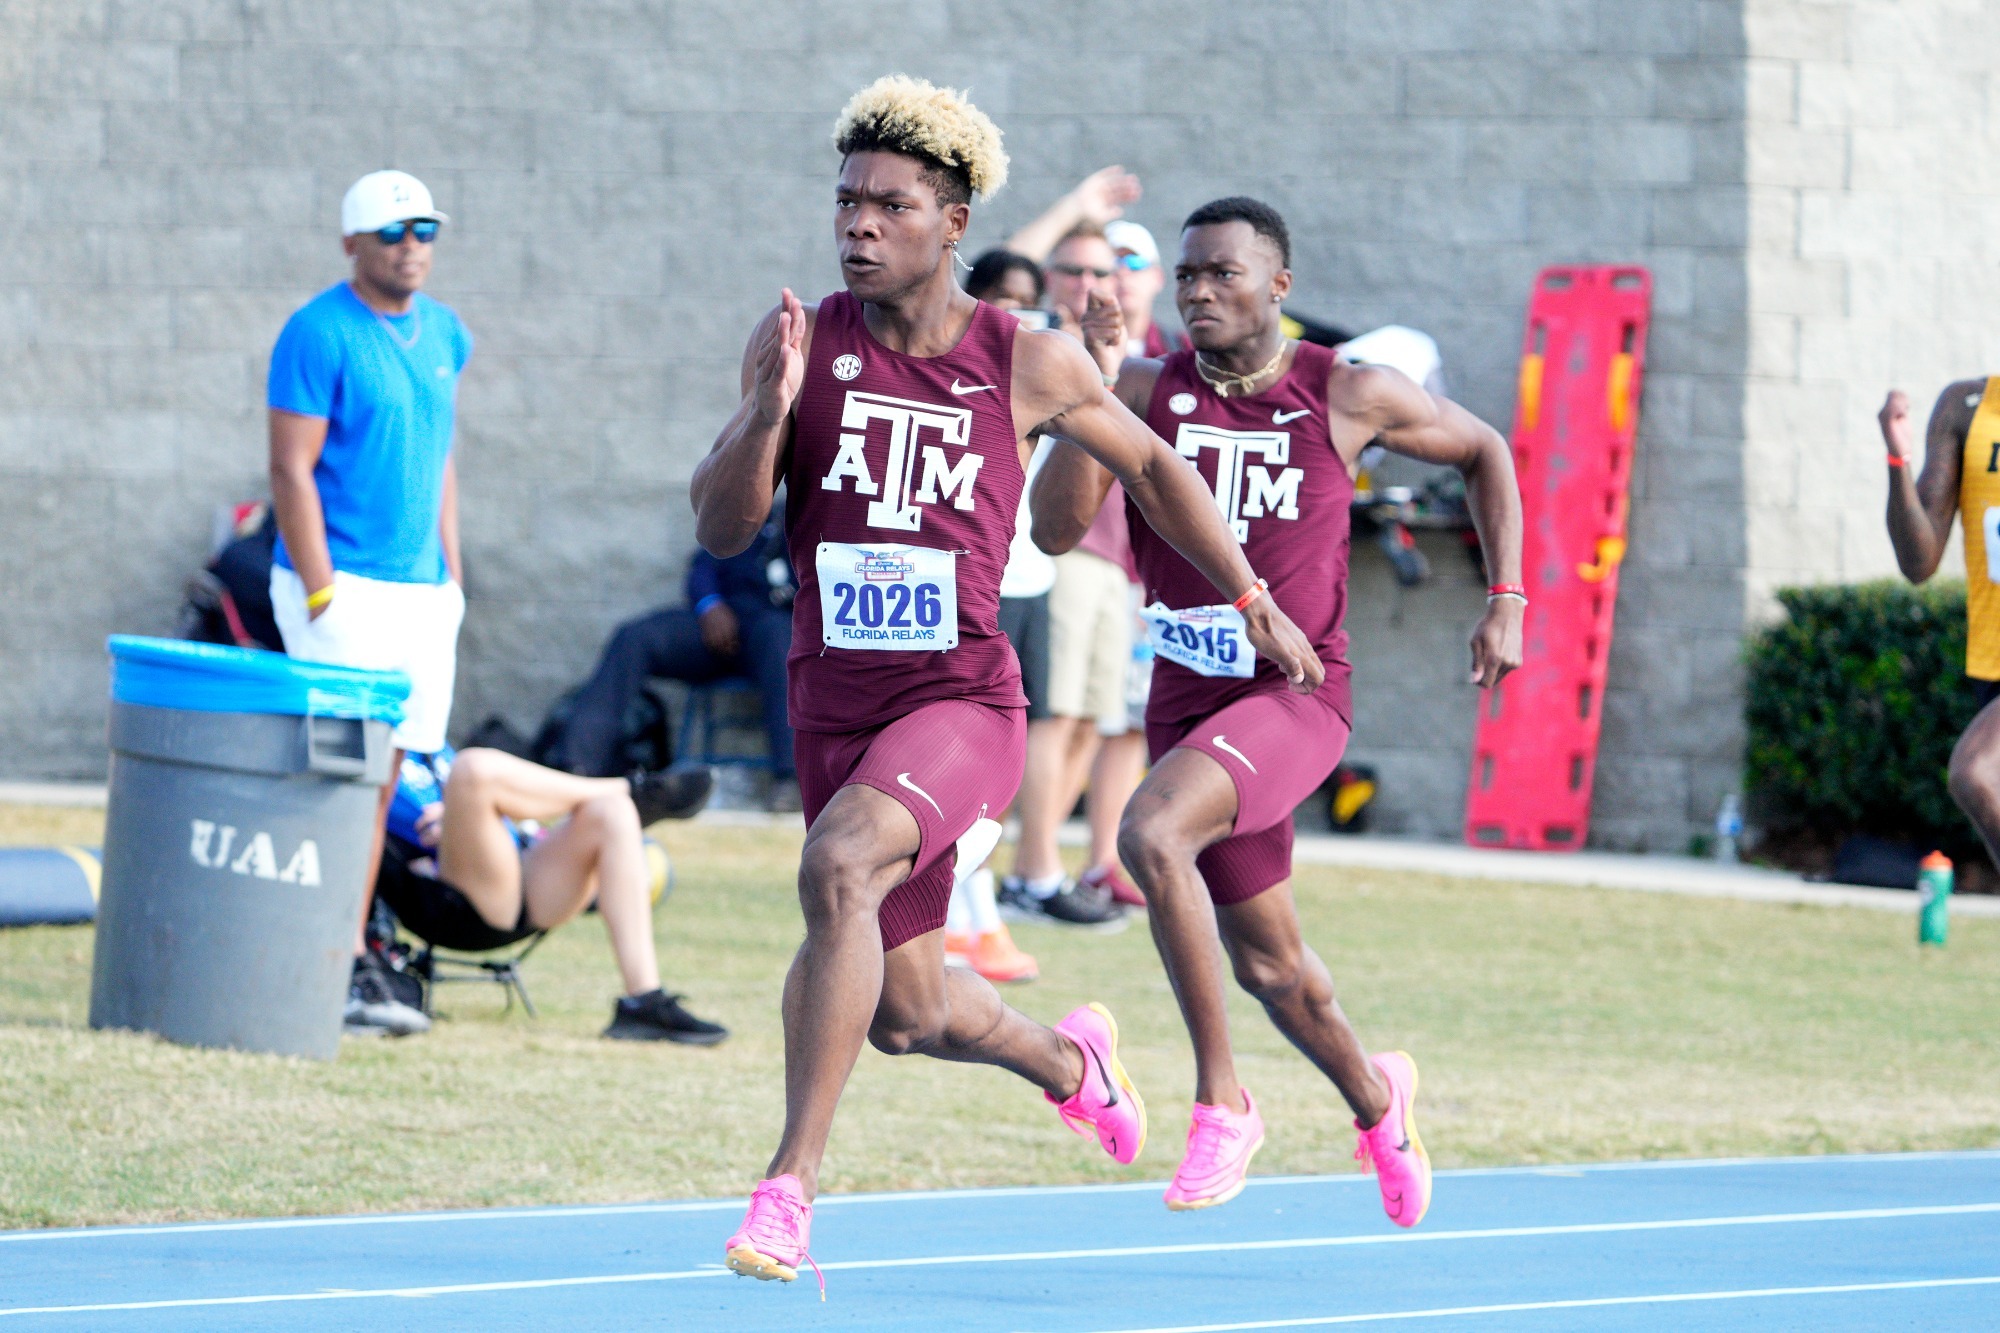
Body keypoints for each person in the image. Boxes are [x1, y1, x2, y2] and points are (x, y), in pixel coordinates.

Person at [687, 77, 1321, 1287]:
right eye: (845, 203)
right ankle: (1070, 1062)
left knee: (837, 865)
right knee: (908, 1013)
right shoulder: (803, 341)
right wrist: (764, 415)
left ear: (953, 219)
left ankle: (787, 1190)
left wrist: (1251, 597)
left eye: (889, 205)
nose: (857, 227)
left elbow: (1155, 470)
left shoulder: (1021, 360)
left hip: (961, 704)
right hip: (834, 703)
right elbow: (723, 529)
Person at [1034, 197, 1524, 1225]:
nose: (1201, 291)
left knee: (1149, 832)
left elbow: (1486, 453)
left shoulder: (1344, 394)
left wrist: (1505, 602)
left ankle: (1221, 1102)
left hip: (1292, 694)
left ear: (1278, 288)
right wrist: (1088, 397)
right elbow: (1052, 530)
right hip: (1185, 699)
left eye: (1224, 273)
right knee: (1273, 967)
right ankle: (1376, 1102)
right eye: (1187, 276)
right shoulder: (1139, 389)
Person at [266, 169, 472, 1040]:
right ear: (354, 242)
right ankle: (327, 952)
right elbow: (290, 469)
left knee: (393, 774)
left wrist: (453, 579)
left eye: (425, 229)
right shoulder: (316, 332)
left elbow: (440, 460)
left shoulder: (448, 333)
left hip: (422, 593)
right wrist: (321, 589)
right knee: (343, 773)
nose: (412, 245)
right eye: (394, 233)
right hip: (340, 584)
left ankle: (361, 945)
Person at [378, 747, 727, 1044]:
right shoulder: (372, 744)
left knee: (613, 811)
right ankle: (634, 787)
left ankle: (644, 1003)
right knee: (474, 768)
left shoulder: (432, 745)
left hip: (520, 875)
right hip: (445, 898)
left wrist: (460, 816)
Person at [1000, 223, 1142, 928]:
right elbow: (1003, 251)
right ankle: (1030, 870)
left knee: (1090, 719)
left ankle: (1035, 865)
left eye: (1101, 270)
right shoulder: (1032, 343)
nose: (1086, 283)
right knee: (1051, 716)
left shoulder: (1117, 344)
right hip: (1057, 550)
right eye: (1072, 268)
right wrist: (1083, 201)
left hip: (1115, 554)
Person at [550, 511, 794, 810]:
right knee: (635, 636)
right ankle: (576, 769)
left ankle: (791, 781)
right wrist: (709, 605)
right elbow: (702, 568)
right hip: (717, 627)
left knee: (781, 640)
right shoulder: (741, 512)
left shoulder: (803, 515)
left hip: (774, 632)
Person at [1879, 383, 2000, 868]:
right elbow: (1919, 561)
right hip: (1990, 665)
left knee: (1975, 772)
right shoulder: (1967, 409)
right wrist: (1898, 462)